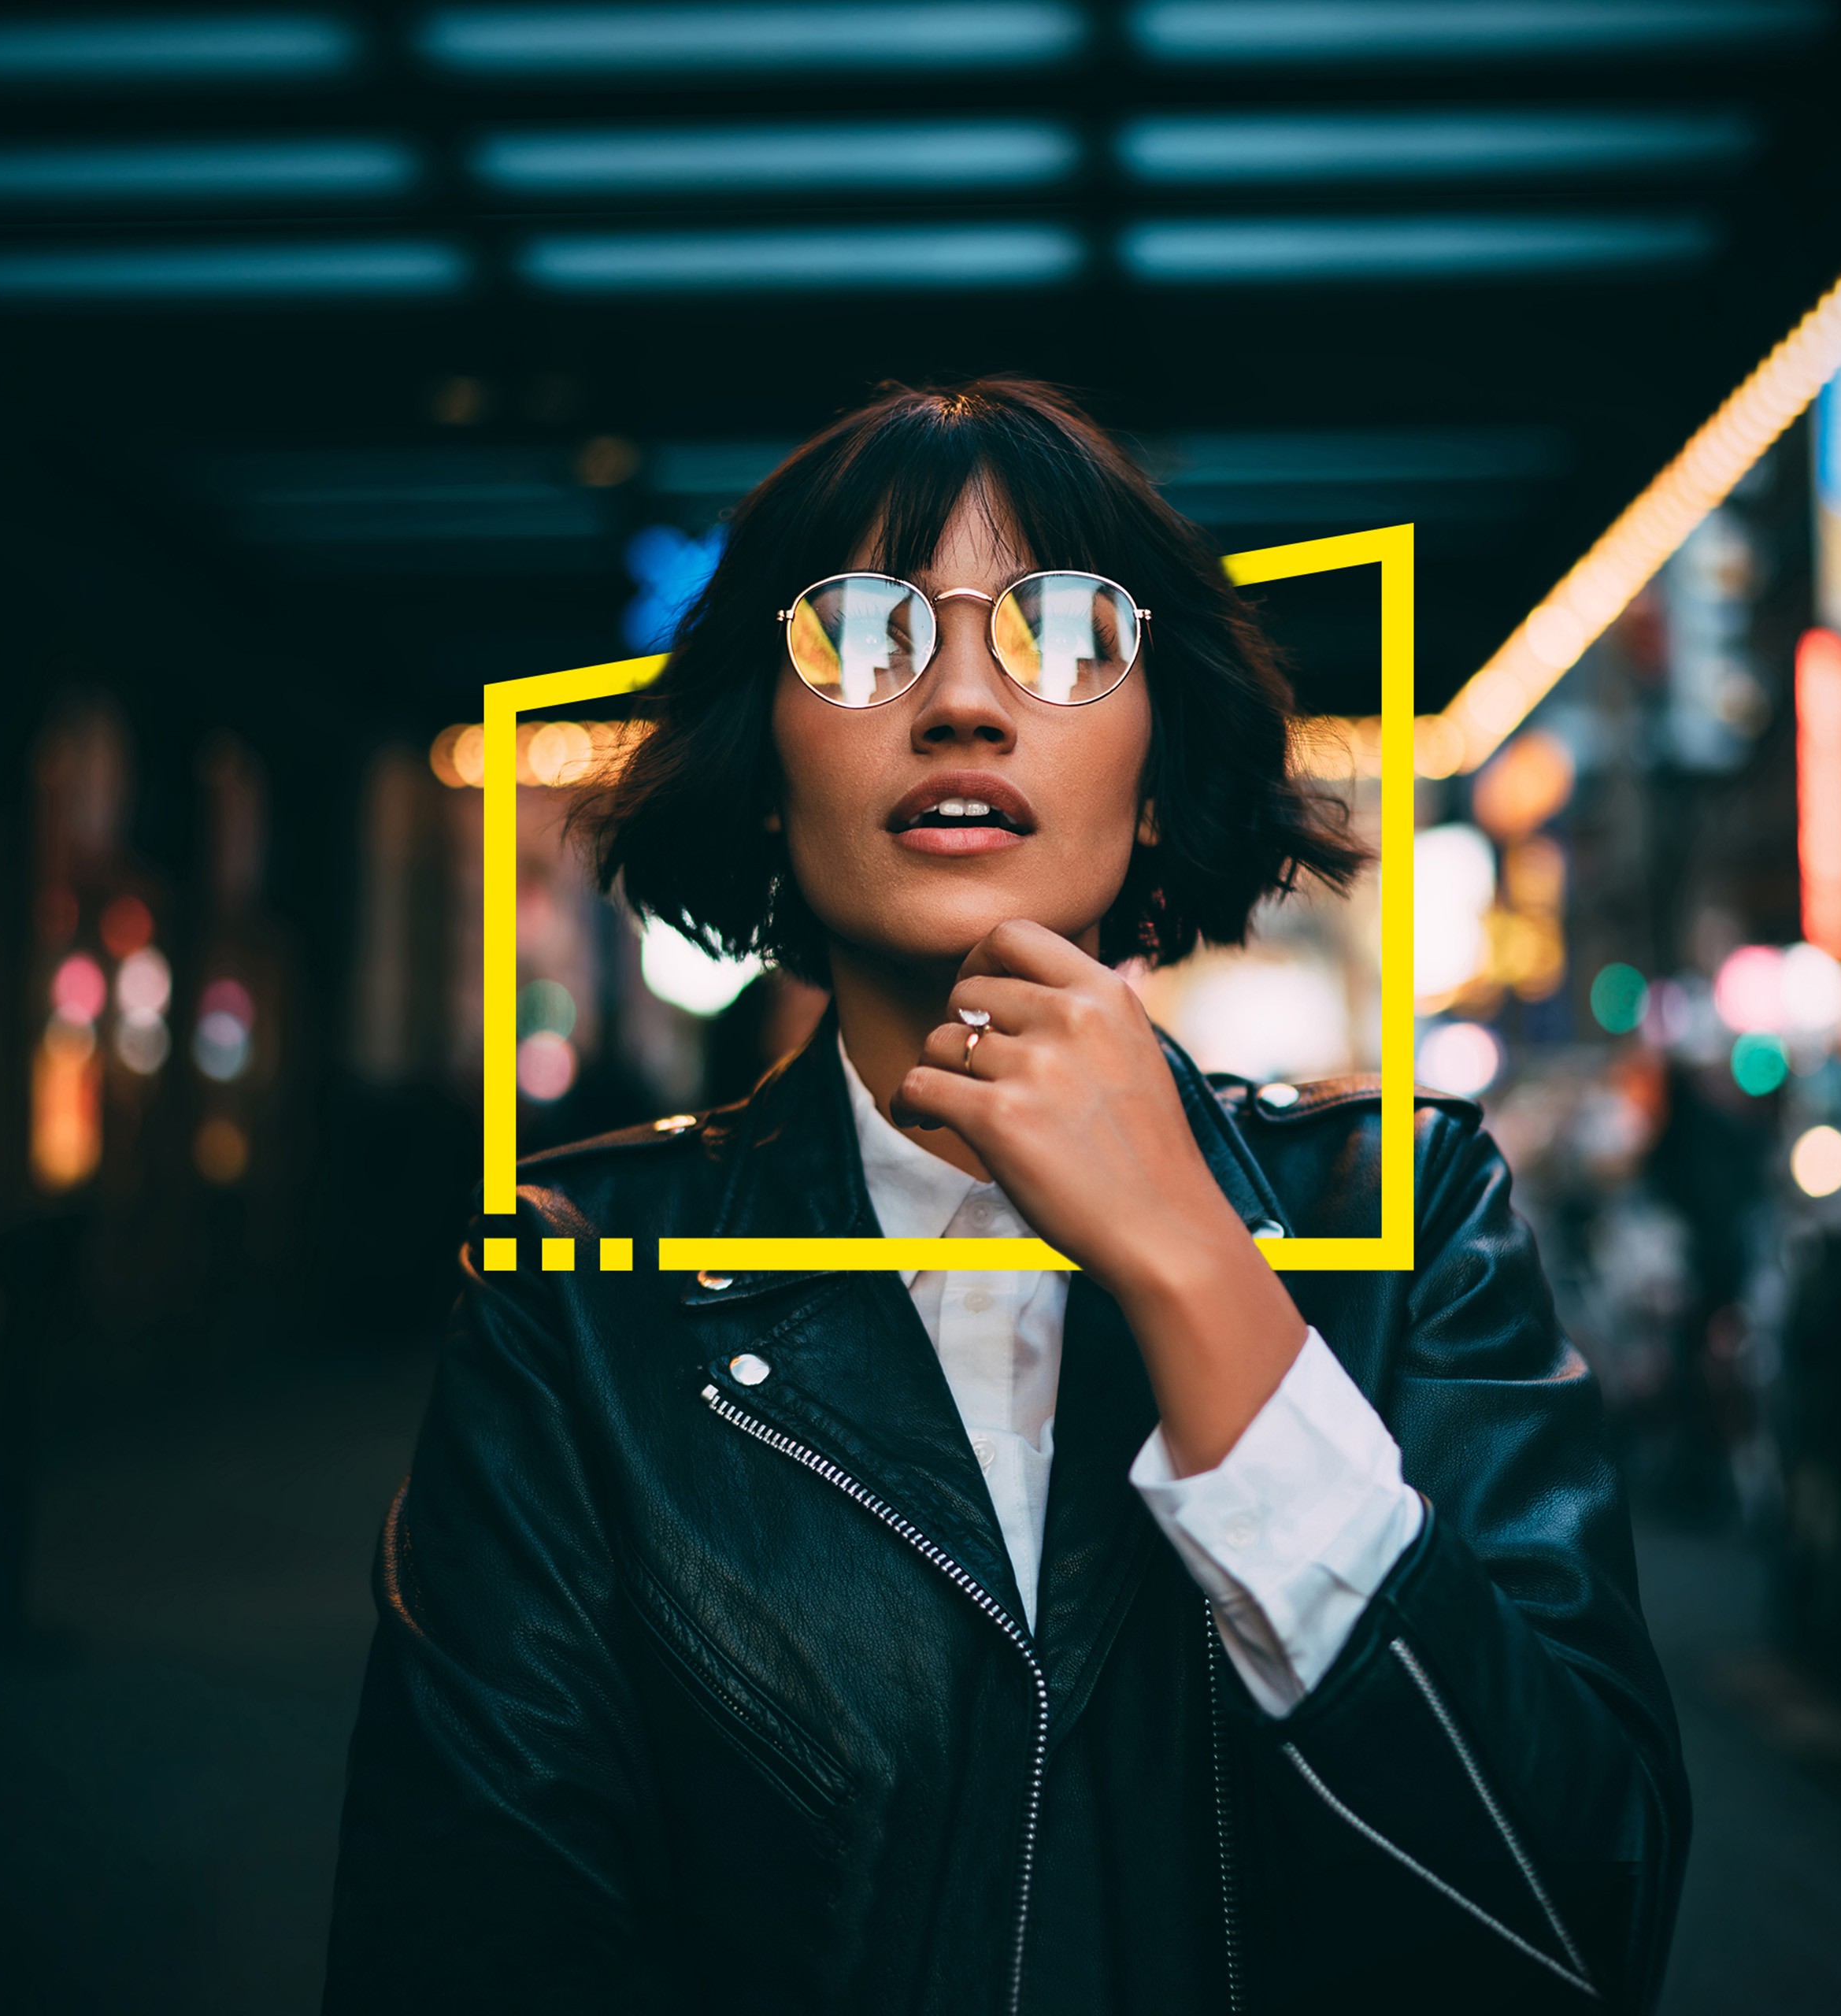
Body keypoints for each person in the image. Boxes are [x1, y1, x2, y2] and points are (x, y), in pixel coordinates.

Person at [324, 380, 1687, 2013]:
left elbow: (1580, 1906)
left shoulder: (1409, 1211)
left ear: (1160, 773)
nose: (964, 694)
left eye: (1057, 632)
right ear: (766, 763)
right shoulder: (580, 1290)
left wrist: (1192, 1257)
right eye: (861, 633)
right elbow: (471, 1941)